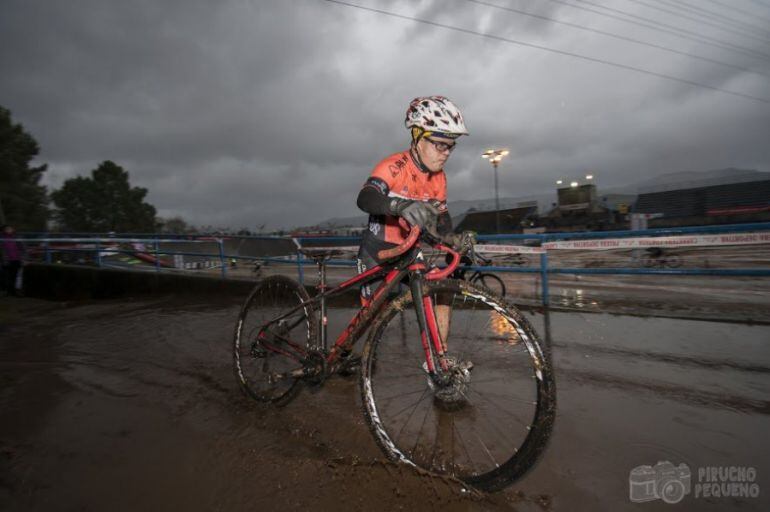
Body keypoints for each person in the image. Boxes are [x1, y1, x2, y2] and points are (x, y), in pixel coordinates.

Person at [355, 95, 469, 349]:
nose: (447, 153)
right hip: (379, 251)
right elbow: (365, 198)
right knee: (372, 321)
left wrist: (453, 241)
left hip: (410, 252)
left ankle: (441, 363)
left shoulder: (439, 179)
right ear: (417, 137)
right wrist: (398, 205)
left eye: (451, 146)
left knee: (443, 291)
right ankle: (351, 357)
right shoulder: (395, 166)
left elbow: (441, 221)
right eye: (440, 144)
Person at [1, 225, 26, 297]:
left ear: (13, 229)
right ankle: (8, 291)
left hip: (17, 260)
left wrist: (24, 259)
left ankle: (14, 292)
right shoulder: (1, 238)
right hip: (6, 260)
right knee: (6, 277)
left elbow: (23, 248)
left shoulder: (17, 237)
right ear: (4, 230)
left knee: (15, 276)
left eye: (10, 229)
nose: (8, 230)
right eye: (6, 229)